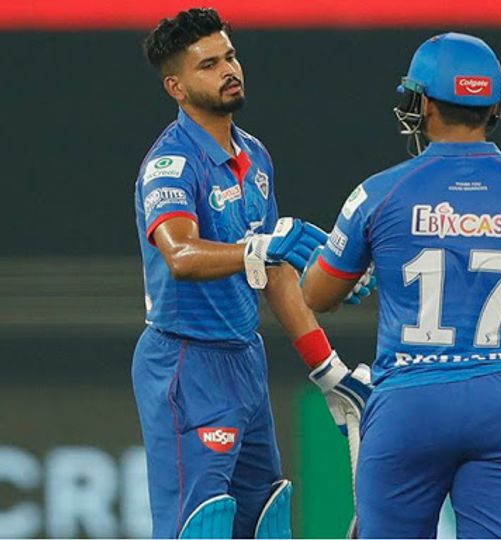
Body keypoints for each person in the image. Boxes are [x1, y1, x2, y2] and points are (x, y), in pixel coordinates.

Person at [302, 32, 501, 538]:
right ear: (496, 105)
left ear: (423, 103)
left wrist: (337, 259)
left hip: (410, 404)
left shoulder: (379, 192)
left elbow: (318, 295)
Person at [132, 9, 371, 539]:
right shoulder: (171, 163)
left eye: (230, 57)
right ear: (176, 87)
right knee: (200, 527)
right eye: (208, 65)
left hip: (244, 359)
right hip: (187, 361)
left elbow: (273, 271)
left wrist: (327, 369)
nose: (228, 70)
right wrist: (257, 248)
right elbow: (181, 255)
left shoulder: (255, 157)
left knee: (265, 520)